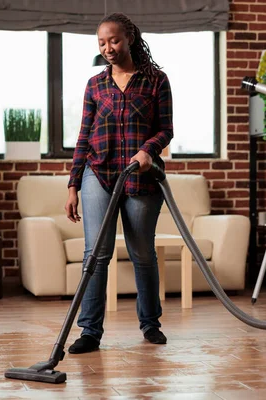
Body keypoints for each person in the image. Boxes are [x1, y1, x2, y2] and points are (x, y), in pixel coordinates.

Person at [64, 12, 173, 354]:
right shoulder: (95, 84)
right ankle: (90, 331)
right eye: (101, 42)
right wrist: (72, 184)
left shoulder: (155, 80)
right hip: (98, 174)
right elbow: (84, 136)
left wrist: (147, 151)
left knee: (142, 253)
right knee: (95, 254)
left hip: (141, 179)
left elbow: (165, 129)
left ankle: (150, 324)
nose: (108, 48)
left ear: (128, 38)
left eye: (113, 40)